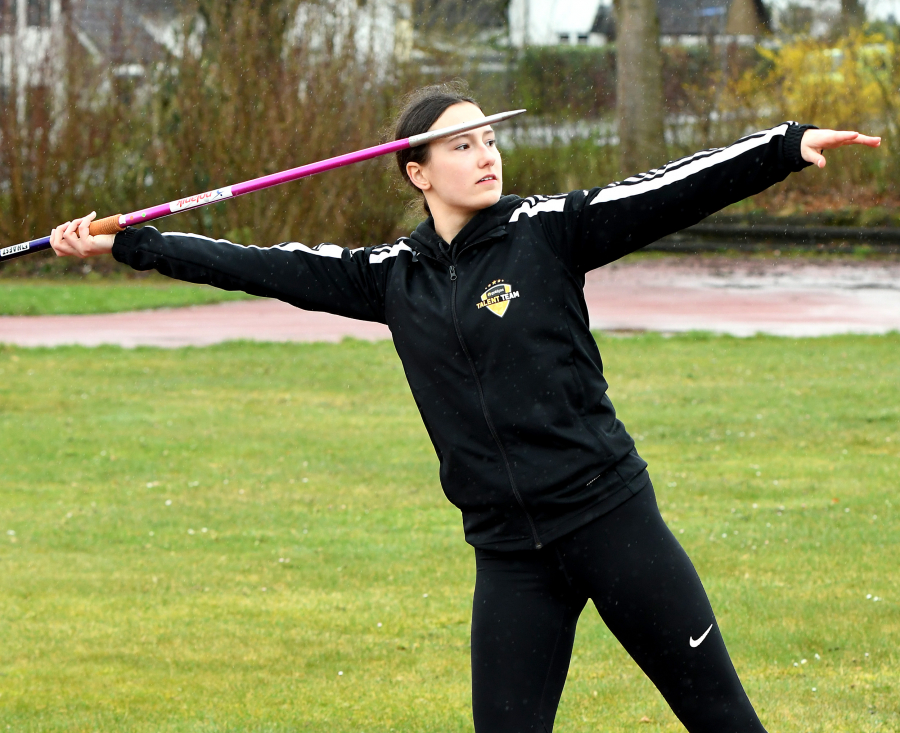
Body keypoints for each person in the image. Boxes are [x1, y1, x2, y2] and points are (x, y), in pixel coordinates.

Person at [50, 84, 881, 732]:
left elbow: (667, 189)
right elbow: (261, 263)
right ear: (418, 172)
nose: (486, 155)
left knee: (722, 720)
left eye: (489, 138)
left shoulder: (549, 230)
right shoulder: (389, 276)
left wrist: (784, 146)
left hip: (611, 521)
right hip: (510, 555)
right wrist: (130, 241)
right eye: (462, 145)